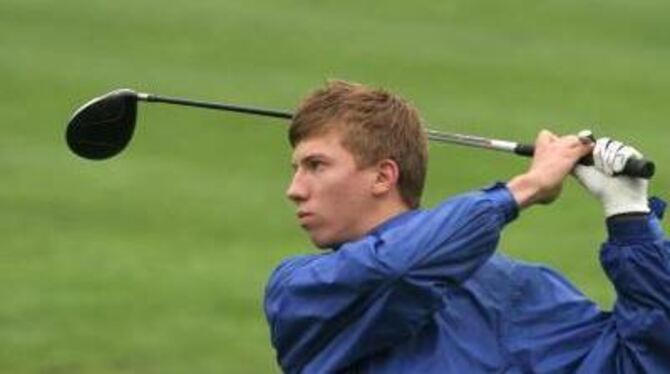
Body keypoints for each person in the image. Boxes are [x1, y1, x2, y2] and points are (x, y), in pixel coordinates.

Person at [263, 81, 669, 373]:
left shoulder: (511, 291)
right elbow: (397, 269)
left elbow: (642, 361)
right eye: (296, 169)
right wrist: (524, 188)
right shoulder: (300, 289)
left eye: (315, 165)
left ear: (384, 176)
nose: (294, 190)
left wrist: (629, 214)